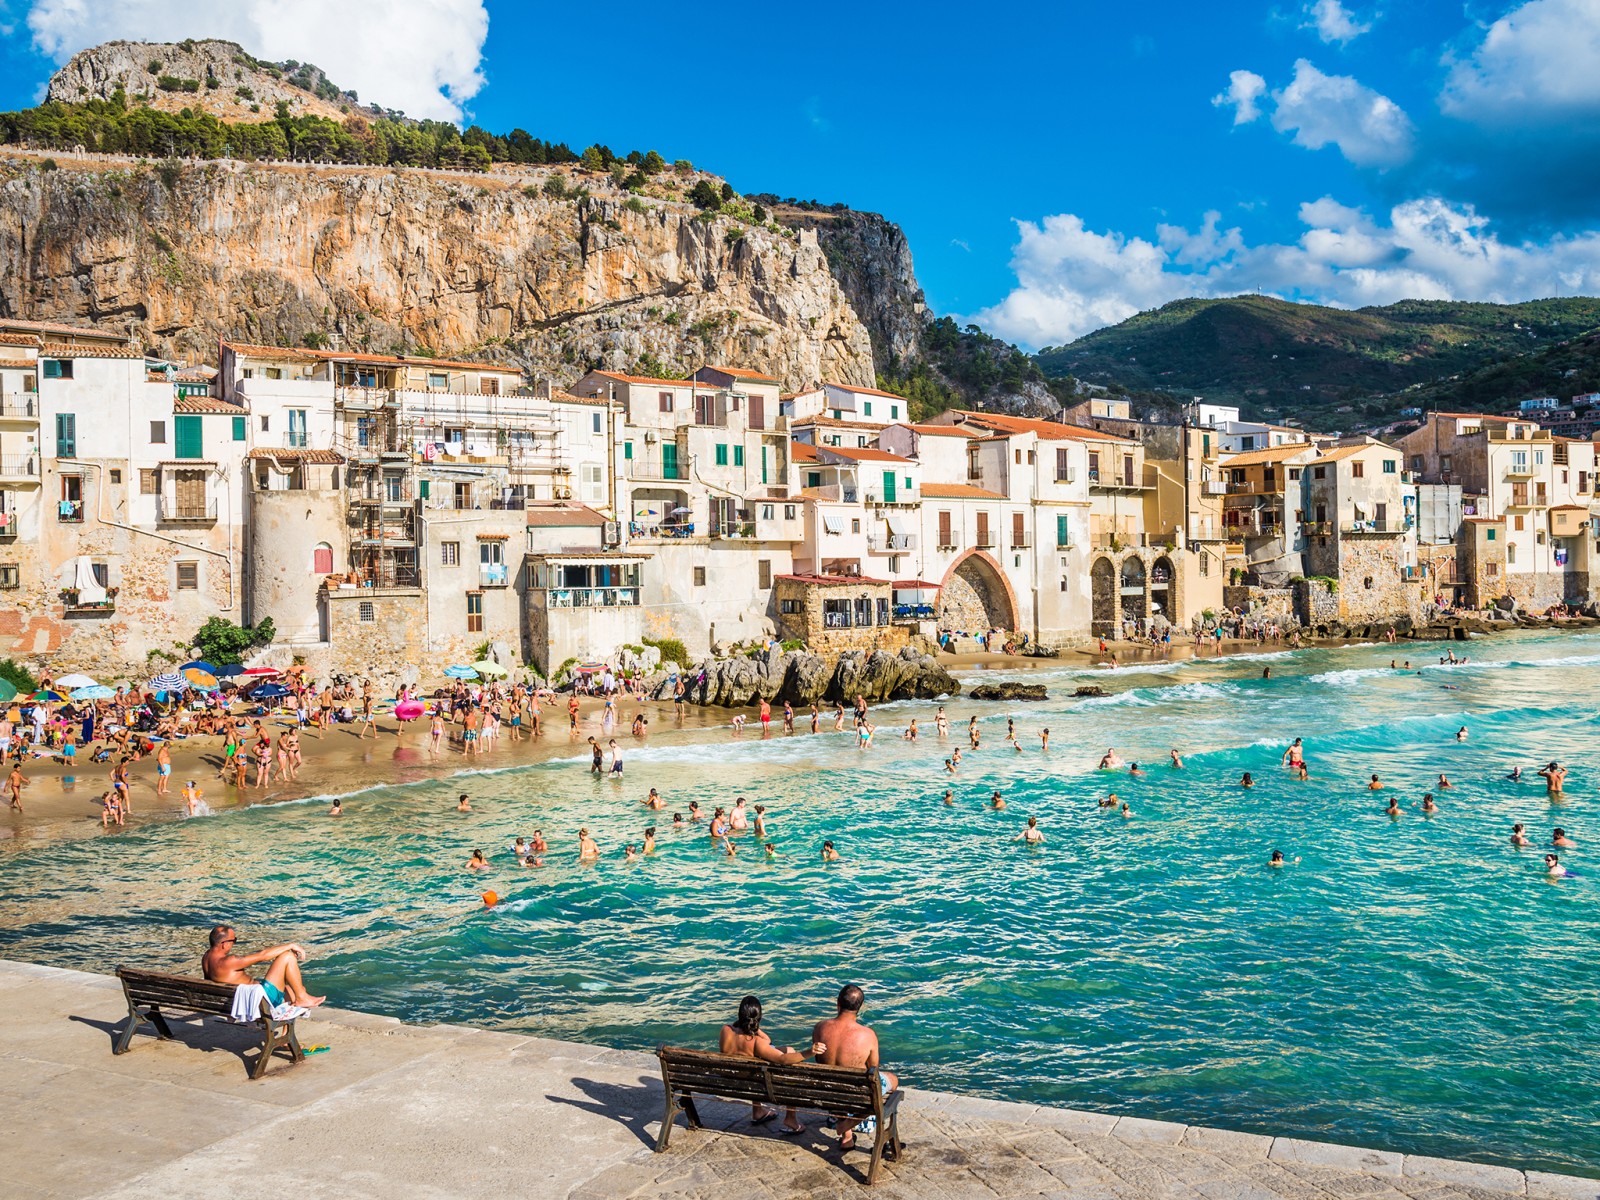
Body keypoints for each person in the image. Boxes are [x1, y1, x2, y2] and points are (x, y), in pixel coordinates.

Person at [810, 985, 897, 1154]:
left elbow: (819, 1060)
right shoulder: (868, 1035)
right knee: (892, 1080)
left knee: (837, 1078)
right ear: (860, 1007)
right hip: (856, 1094)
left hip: (828, 1092)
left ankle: (847, 1137)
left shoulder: (820, 1027)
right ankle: (855, 1125)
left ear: (838, 1003)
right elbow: (873, 1070)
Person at [720, 995, 807, 1133]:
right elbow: (782, 1059)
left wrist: (746, 1024)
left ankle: (758, 1111)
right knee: (790, 1054)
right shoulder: (755, 1042)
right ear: (758, 1017)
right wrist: (808, 1052)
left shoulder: (725, 1030)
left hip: (732, 1079)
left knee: (759, 1062)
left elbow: (766, 1041)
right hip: (756, 1083)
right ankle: (791, 1118)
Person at [202, 924, 325, 1008]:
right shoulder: (229, 961)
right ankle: (301, 998)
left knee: (293, 989)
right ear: (224, 944)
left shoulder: (206, 958)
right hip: (259, 1002)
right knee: (287, 956)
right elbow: (263, 955)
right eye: (234, 940)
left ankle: (288, 1029)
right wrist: (290, 945)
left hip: (235, 1001)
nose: (234, 943)